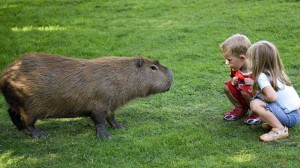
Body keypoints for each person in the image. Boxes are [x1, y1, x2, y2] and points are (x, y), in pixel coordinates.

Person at [248, 41, 300, 142]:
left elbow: (272, 97)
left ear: (257, 61)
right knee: (260, 100)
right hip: (296, 114)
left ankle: (279, 129)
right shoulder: (276, 72)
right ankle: (276, 122)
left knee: (255, 103)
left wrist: (260, 94)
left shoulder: (262, 76)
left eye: (250, 58)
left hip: (290, 117)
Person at [220, 34, 261, 125]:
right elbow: (235, 80)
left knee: (245, 90)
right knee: (228, 85)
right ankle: (240, 109)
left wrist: (254, 83)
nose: (226, 63)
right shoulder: (237, 67)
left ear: (242, 58)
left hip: (261, 100)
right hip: (244, 93)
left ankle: (259, 113)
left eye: (229, 60)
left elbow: (269, 86)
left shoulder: (257, 68)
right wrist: (234, 81)